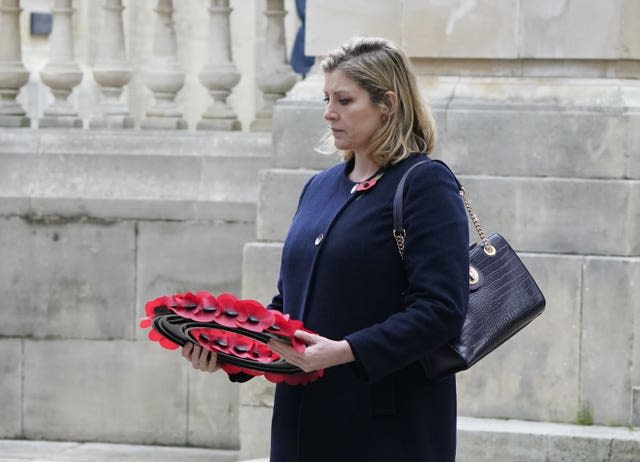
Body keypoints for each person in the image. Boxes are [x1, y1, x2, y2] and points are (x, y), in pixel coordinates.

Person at [182, 37, 469, 462]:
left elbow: (442, 309)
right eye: (326, 98)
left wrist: (346, 351)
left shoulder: (425, 184)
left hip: (387, 427)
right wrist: (232, 352)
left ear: (387, 103)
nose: (328, 113)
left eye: (344, 100)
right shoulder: (318, 188)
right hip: (303, 423)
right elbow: (287, 306)